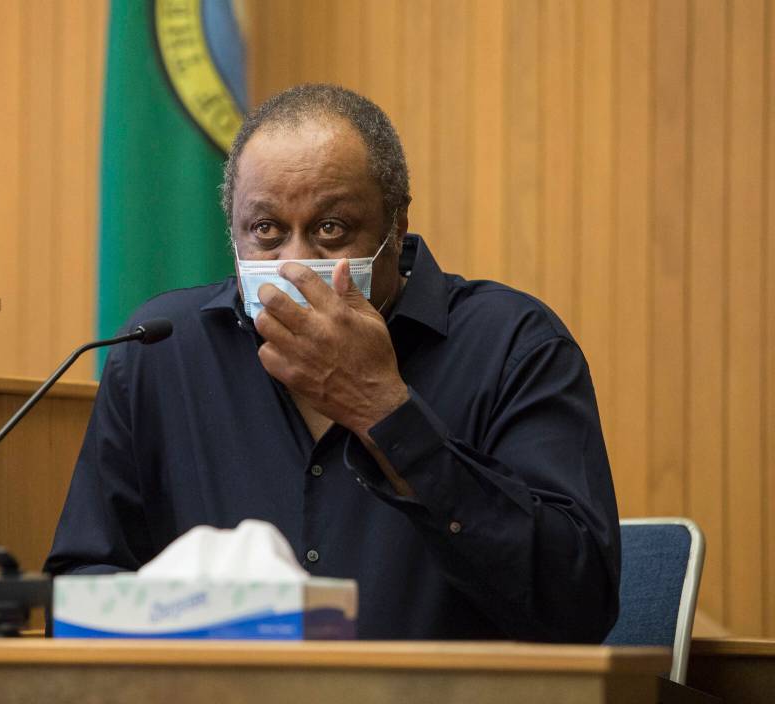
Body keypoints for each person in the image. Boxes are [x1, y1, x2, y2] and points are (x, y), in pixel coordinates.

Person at [46, 84, 620, 642]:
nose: (295, 263)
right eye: (267, 231)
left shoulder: (514, 345)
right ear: (234, 234)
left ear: (397, 225)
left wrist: (384, 410)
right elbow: (79, 587)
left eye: (330, 229)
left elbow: (579, 606)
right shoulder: (160, 350)